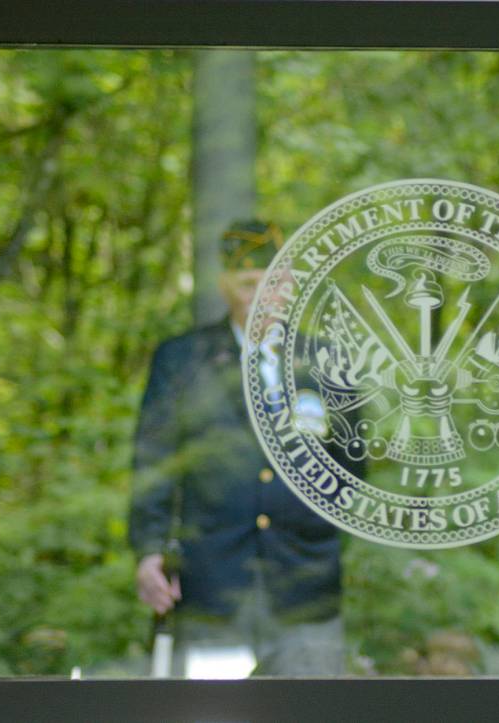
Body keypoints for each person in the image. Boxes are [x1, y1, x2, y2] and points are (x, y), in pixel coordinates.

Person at [129, 219, 352, 677]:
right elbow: (154, 463)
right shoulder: (183, 360)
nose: (259, 294)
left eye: (271, 282)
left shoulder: (328, 361)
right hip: (211, 583)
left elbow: (352, 467)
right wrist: (150, 549)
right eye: (248, 282)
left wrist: (317, 536)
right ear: (225, 284)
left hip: (304, 585)